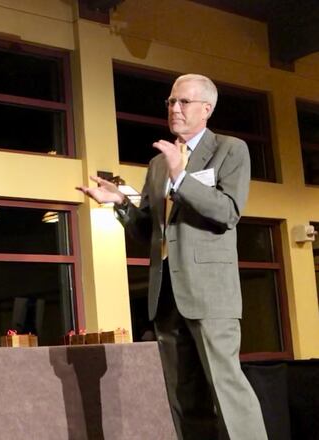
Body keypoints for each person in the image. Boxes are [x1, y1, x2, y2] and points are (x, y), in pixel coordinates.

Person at [77, 73, 267, 440]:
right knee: (183, 397)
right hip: (166, 295)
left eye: (184, 102)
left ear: (206, 109)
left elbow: (228, 211)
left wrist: (182, 177)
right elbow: (149, 231)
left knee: (227, 390)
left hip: (210, 295)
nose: (174, 109)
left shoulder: (231, 149)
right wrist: (120, 204)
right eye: (170, 102)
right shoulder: (157, 164)